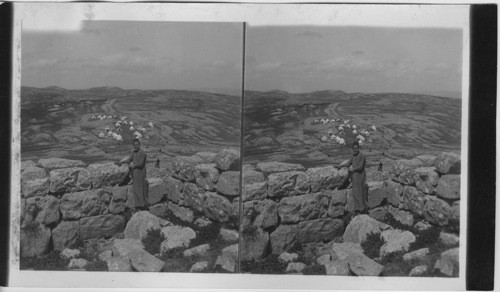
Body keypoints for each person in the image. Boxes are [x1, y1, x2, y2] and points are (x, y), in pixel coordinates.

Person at [116, 138, 148, 213]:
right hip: (135, 172)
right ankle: (139, 205)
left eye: (137, 145)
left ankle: (142, 205)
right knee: (136, 188)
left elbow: (141, 163)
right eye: (134, 145)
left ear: (139, 144)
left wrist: (134, 166)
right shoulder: (133, 152)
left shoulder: (142, 152)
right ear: (133, 145)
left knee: (141, 188)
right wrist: (121, 162)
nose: (136, 146)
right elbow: (129, 160)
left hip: (140, 171)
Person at [339, 141, 368, 213]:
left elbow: (360, 167)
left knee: (361, 192)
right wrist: (341, 165)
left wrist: (353, 169)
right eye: (354, 148)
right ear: (352, 149)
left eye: (356, 148)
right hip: (354, 176)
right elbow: (348, 163)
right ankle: (357, 209)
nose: (355, 149)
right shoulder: (353, 156)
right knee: (355, 192)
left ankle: (363, 208)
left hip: (360, 176)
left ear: (358, 148)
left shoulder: (362, 156)